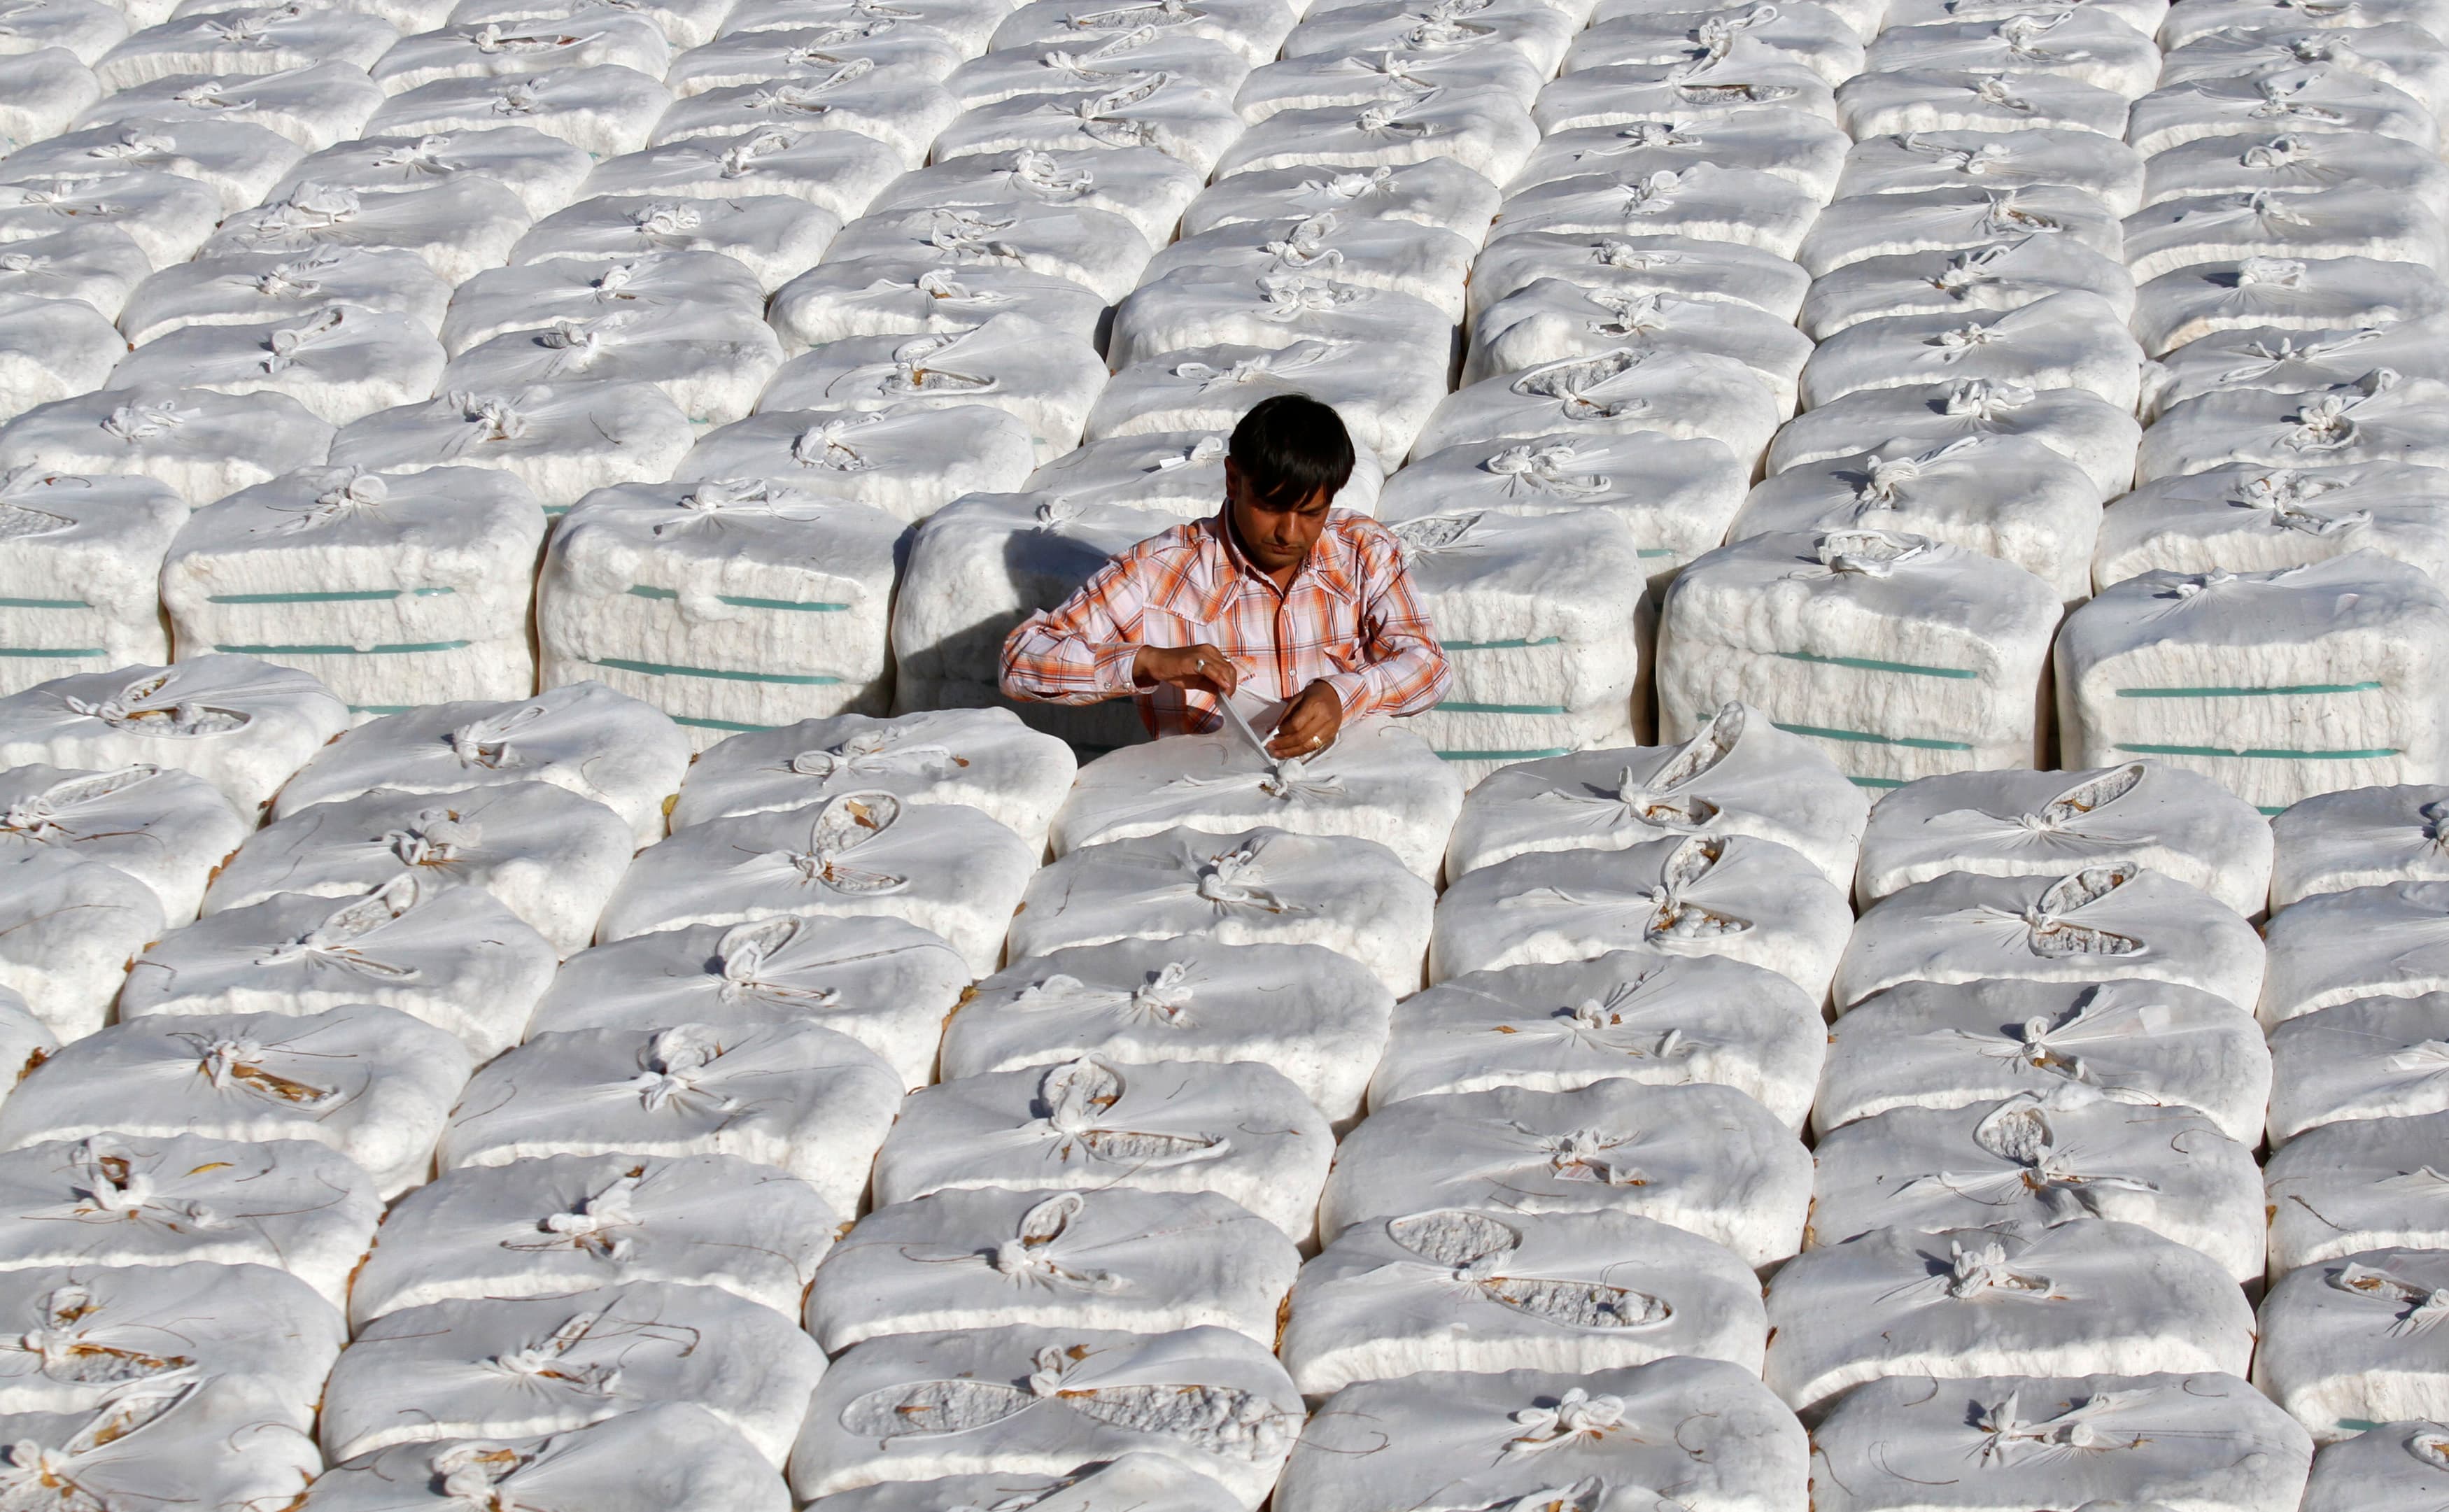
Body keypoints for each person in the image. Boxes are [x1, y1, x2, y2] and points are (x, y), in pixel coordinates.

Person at [999, 394, 1451, 759]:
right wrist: (1147, 661)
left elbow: (1427, 665)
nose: (1288, 533)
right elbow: (1021, 662)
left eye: (1311, 513)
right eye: (1270, 507)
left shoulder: (1362, 551)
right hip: (1210, 797)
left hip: (1339, 788)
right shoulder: (1159, 572)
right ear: (1233, 480)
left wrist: (1344, 694)